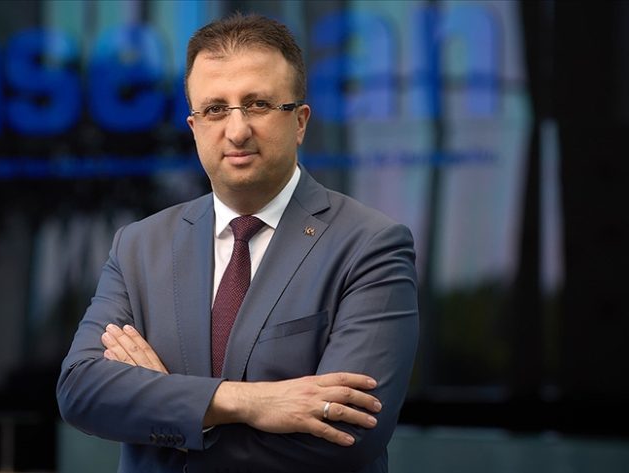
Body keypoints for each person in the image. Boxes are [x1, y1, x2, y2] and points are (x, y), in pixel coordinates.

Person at [57, 12, 418, 473]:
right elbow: (81, 390)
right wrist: (250, 402)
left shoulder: (370, 246)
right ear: (193, 126)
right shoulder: (139, 246)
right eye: (215, 109)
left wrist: (171, 416)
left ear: (300, 122)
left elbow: (348, 433)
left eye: (258, 104)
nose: (237, 130)